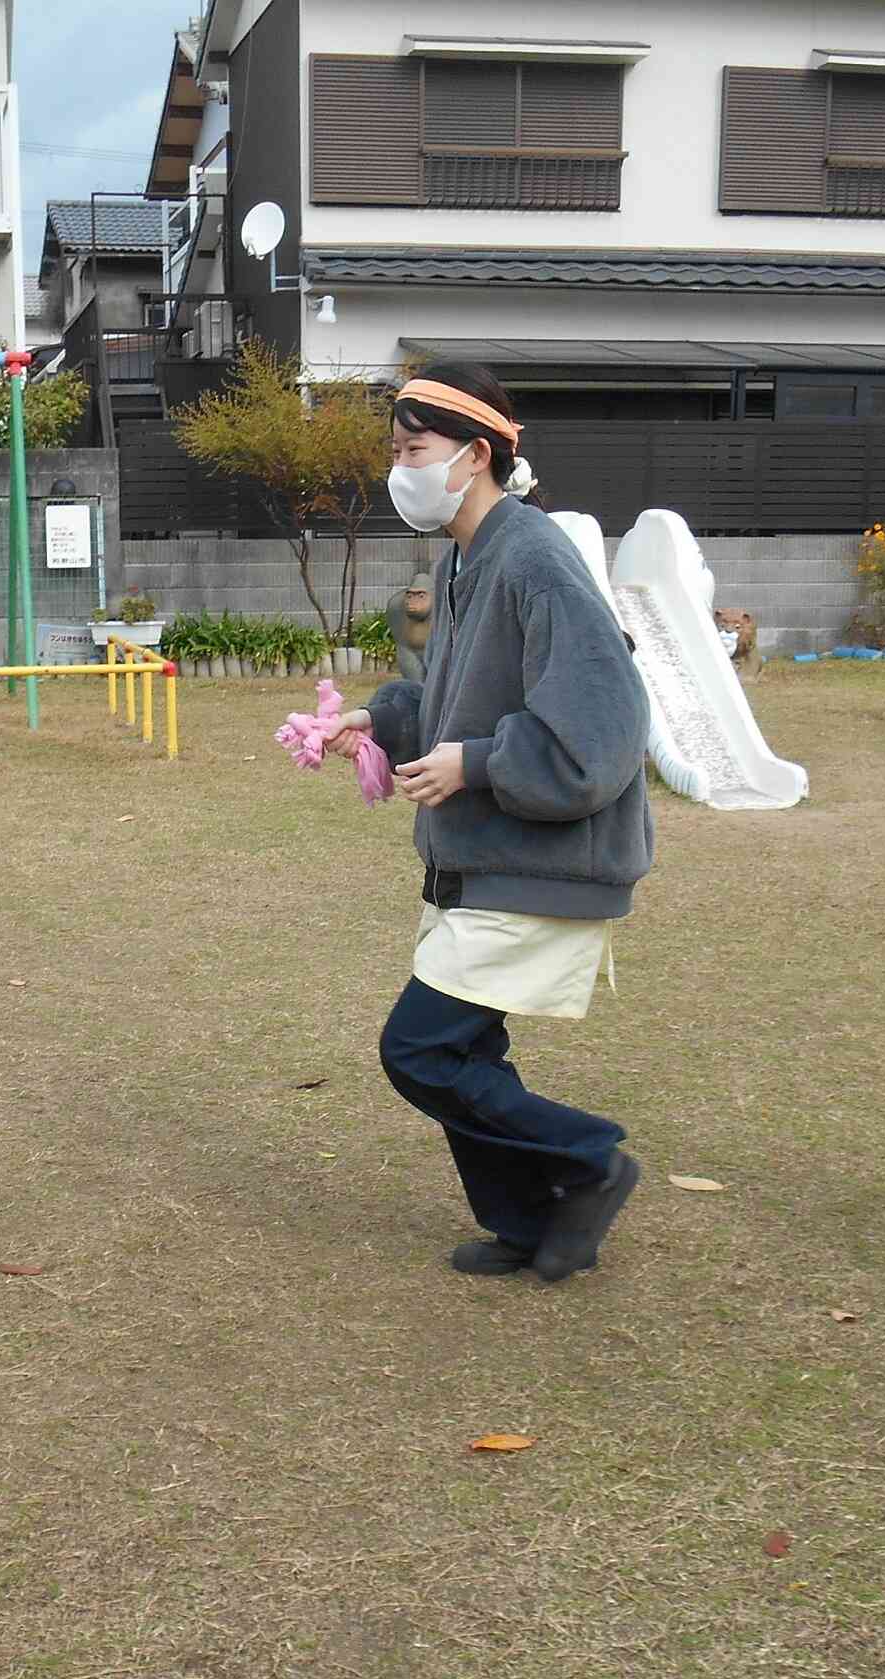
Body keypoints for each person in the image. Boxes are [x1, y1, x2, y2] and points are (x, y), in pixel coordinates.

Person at [319, 362, 653, 1282]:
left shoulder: (535, 555)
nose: (399, 468)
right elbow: (459, 700)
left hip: (540, 861)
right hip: (477, 857)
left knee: (419, 1049)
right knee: (466, 1049)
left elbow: (604, 731)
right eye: (393, 450)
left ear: (473, 455)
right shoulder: (466, 556)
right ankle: (527, 1221)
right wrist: (380, 720)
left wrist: (481, 762)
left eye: (412, 449)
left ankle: (587, 1161)